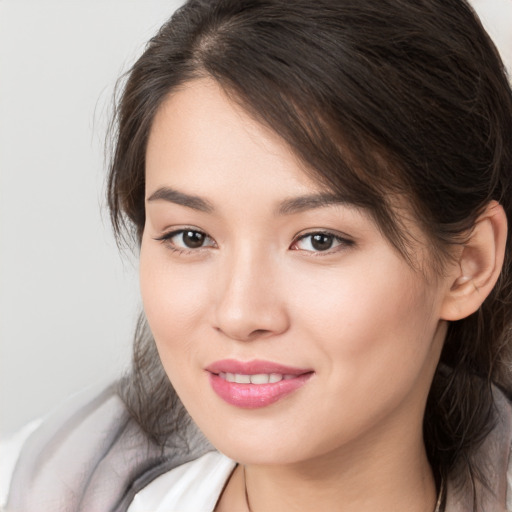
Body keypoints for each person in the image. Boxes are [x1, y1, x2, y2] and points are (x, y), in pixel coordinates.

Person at [3, 0, 512, 510]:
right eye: (191, 237)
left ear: (468, 264)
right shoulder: (35, 487)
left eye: (319, 240)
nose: (241, 314)